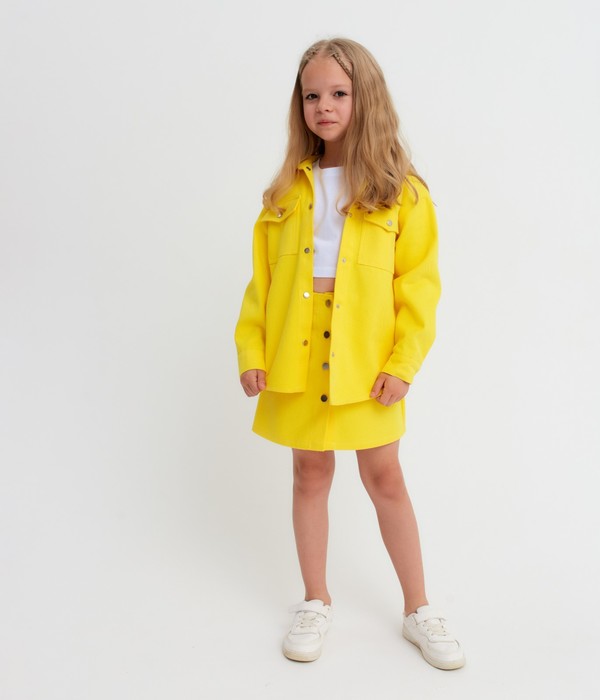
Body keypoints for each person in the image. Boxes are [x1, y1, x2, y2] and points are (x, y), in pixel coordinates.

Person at [234, 37, 465, 671]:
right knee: (309, 473)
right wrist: (252, 349)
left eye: (339, 93)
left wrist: (402, 364)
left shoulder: (402, 193)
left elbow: (419, 288)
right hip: (297, 353)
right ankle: (315, 599)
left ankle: (419, 607)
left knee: (384, 476)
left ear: (367, 99)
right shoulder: (286, 193)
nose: (325, 106)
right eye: (312, 95)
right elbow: (262, 285)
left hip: (366, 358)